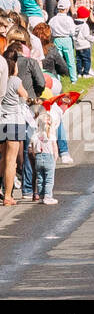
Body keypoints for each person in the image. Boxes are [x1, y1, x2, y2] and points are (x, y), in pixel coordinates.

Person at [1, 47, 28, 205]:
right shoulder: (15, 81)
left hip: (1, 120)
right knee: (12, 161)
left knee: (3, 158)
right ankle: (8, 196)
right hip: (14, 121)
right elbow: (24, 96)